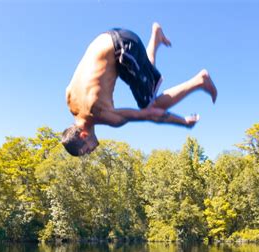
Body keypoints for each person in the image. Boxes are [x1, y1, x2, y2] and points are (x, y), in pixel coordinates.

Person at [62, 23, 218, 156]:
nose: (90, 152)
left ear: (83, 135)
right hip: (108, 40)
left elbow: (151, 114)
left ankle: (200, 81)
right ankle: (156, 38)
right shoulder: (70, 100)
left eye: (86, 151)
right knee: (145, 91)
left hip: (123, 47)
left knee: (151, 105)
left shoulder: (103, 115)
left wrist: (183, 122)